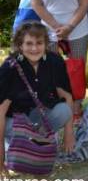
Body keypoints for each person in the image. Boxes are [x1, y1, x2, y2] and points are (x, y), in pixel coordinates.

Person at [0, 21, 75, 172]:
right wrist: (0, 156)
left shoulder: (55, 61)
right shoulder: (9, 68)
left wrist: (69, 133)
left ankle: (40, 142)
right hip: (15, 121)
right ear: (20, 45)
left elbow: (67, 97)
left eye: (39, 43)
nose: (34, 48)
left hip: (40, 117)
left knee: (63, 110)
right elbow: (1, 112)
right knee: (14, 133)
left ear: (46, 44)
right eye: (29, 43)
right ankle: (14, 146)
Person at [30, 0, 88, 117]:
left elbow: (84, 3)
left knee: (77, 68)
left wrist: (70, 26)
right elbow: (36, 4)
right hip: (50, 32)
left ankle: (77, 105)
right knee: (52, 70)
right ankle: (57, 105)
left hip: (78, 30)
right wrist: (57, 26)